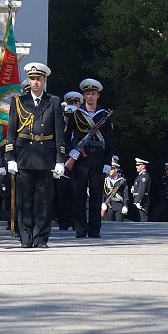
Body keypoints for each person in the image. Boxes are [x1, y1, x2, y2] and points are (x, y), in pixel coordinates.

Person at [5, 62, 64, 248]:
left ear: (44, 80)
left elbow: (59, 134)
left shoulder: (53, 102)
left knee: (43, 201)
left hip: (45, 156)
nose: (36, 82)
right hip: (24, 154)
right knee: (24, 200)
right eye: (32, 79)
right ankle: (25, 236)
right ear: (28, 81)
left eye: (39, 79)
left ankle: (41, 237)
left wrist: (60, 160)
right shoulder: (19, 102)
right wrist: (10, 157)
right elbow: (11, 133)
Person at [64, 78, 114, 238]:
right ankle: (80, 228)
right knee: (78, 194)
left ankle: (94, 229)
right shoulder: (77, 114)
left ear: (98, 95)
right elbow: (67, 136)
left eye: (93, 94)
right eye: (87, 94)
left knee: (96, 194)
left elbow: (110, 141)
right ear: (83, 96)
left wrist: (108, 162)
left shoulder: (104, 115)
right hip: (81, 158)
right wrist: (71, 150)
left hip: (98, 158)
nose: (90, 97)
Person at [54, 91, 82, 231]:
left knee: (78, 192)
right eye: (67, 115)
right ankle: (64, 220)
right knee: (63, 192)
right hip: (65, 161)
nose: (69, 118)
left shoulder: (83, 123)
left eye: (76, 103)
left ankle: (77, 220)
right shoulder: (60, 127)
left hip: (80, 161)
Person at [132, 157, 151, 222]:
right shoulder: (140, 175)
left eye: (138, 165)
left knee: (143, 221)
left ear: (143, 166)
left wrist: (138, 201)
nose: (136, 167)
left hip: (142, 201)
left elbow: (142, 189)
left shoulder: (144, 176)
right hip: (139, 200)